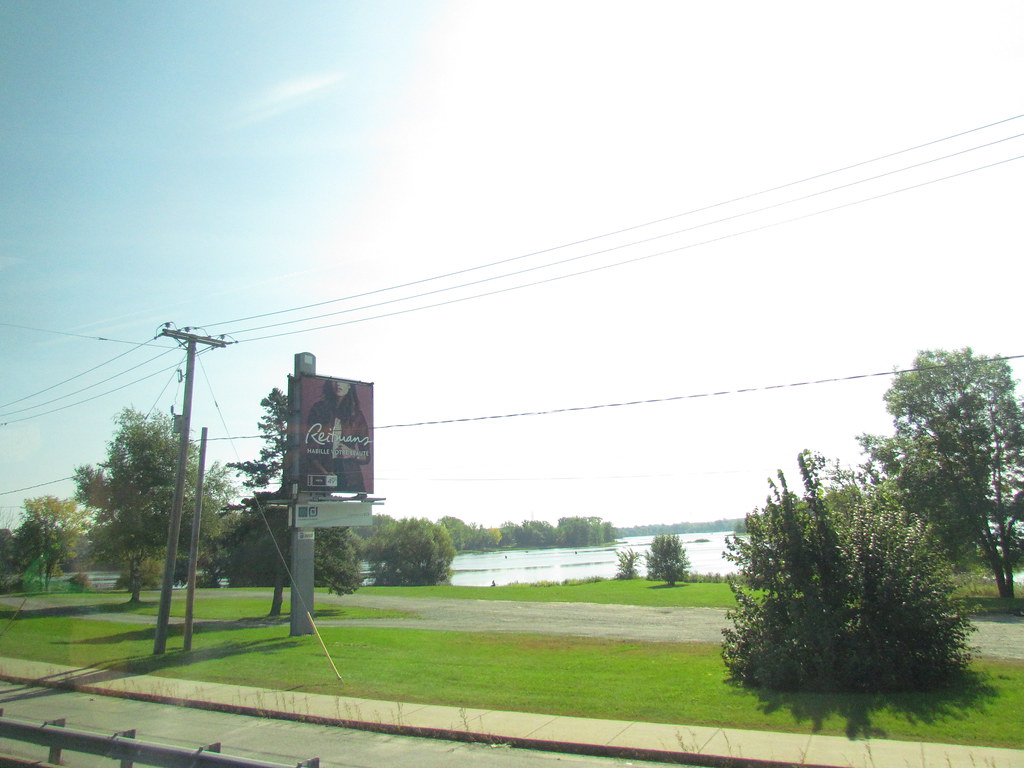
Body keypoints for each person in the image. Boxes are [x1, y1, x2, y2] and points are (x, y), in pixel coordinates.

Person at [304, 378, 371, 492]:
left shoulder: (356, 415)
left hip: (352, 479)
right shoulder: (318, 409)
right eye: (334, 381)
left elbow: (366, 457)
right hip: (323, 475)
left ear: (350, 386)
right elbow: (310, 451)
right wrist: (324, 473)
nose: (338, 384)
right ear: (329, 384)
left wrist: (352, 453)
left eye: (343, 382)